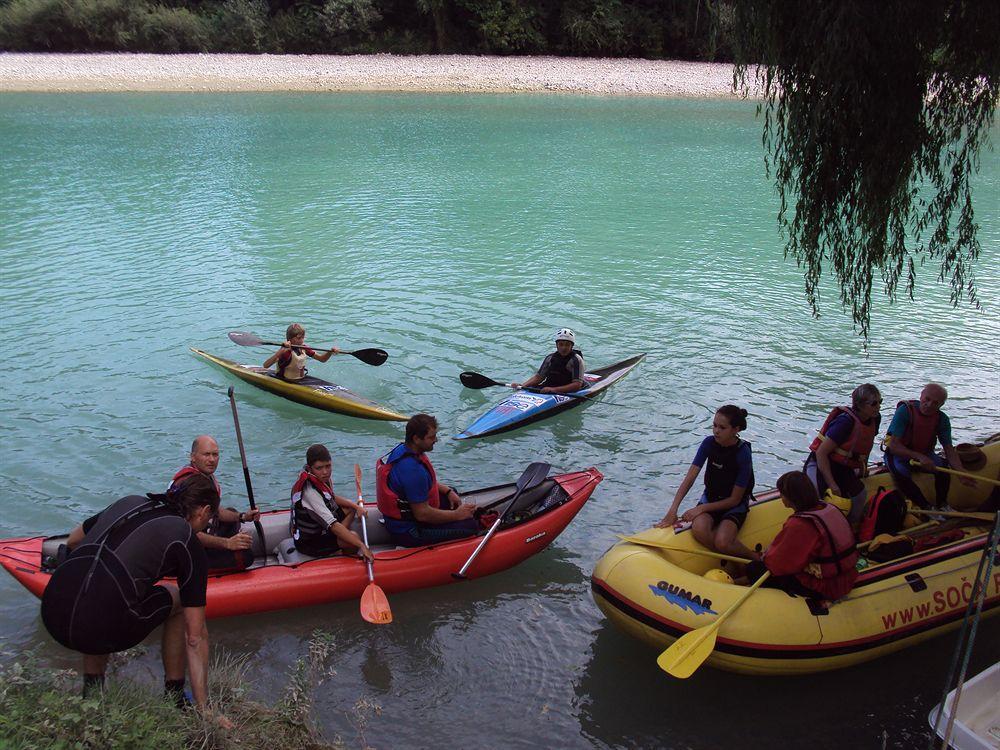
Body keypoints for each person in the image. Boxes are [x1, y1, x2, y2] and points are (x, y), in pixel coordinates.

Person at [40, 474, 232, 727]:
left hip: (53, 610)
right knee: (173, 597)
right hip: (92, 625)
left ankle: (92, 696)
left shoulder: (130, 501)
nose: (208, 524)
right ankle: (175, 697)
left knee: (99, 586)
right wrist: (206, 709)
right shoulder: (186, 539)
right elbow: (195, 637)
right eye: (210, 518)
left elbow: (75, 541)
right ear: (203, 511)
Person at [655, 405, 758, 561]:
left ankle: (755, 558)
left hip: (733, 506)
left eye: (722, 427)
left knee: (723, 542)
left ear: (735, 429)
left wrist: (701, 508)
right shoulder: (708, 443)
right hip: (711, 497)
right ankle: (731, 561)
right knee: (699, 530)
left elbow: (734, 499)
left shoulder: (743, 453)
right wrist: (673, 509)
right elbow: (690, 478)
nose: (716, 431)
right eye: (714, 425)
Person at [746, 471, 859, 601]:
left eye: (782, 494)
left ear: (791, 497)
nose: (781, 497)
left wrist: (764, 557)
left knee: (754, 569)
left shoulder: (801, 524)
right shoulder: (828, 508)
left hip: (824, 586)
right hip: (847, 576)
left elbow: (776, 564)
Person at [376, 414, 479, 547]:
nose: (436, 440)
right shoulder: (412, 470)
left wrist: (448, 491)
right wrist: (457, 515)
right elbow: (422, 515)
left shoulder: (404, 450)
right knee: (470, 526)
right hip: (410, 531)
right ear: (416, 439)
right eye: (431, 437)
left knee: (451, 493)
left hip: (409, 514)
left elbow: (420, 485)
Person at [169, 435, 260, 572]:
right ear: (192, 457)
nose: (211, 460)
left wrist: (243, 516)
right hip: (185, 546)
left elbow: (215, 511)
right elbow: (188, 532)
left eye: (215, 454)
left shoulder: (204, 476)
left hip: (198, 533)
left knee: (232, 513)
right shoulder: (190, 486)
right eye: (206, 454)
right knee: (246, 557)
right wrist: (227, 543)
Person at [883, 383, 972, 509]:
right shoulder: (905, 411)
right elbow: (893, 446)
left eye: (935, 403)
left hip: (924, 454)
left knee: (944, 469)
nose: (929, 405)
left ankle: (942, 505)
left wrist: (960, 471)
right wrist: (918, 456)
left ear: (941, 405)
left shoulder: (942, 419)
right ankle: (926, 507)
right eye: (927, 399)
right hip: (898, 454)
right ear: (921, 396)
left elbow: (949, 449)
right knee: (901, 473)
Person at [804, 383, 882, 525]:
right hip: (820, 463)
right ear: (860, 405)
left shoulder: (875, 419)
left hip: (842, 466)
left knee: (860, 495)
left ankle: (850, 527)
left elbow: (866, 443)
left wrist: (863, 467)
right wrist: (832, 484)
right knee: (816, 500)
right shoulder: (845, 423)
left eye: (880, 402)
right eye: (874, 403)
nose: (878, 406)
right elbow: (821, 453)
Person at [290, 444, 373, 561]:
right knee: (354, 538)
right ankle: (340, 554)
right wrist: (362, 546)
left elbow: (331, 497)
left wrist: (356, 506)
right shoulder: (309, 492)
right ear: (309, 468)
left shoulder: (321, 477)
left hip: (320, 527)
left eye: (328, 466)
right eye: (319, 468)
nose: (325, 472)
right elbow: (333, 526)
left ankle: (337, 541)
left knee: (350, 509)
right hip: (309, 542)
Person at [511, 328, 586, 394]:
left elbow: (577, 385)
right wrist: (522, 386)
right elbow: (539, 377)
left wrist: (554, 389)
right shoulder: (550, 358)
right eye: (561, 344)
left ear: (572, 346)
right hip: (548, 388)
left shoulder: (576, 360)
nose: (564, 348)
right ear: (556, 345)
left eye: (567, 345)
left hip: (566, 391)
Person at [262, 323, 339, 381]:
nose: (302, 340)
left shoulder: (304, 348)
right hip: (284, 380)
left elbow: (322, 359)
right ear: (290, 339)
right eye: (299, 338)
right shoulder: (285, 352)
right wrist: (280, 352)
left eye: (303, 337)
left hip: (300, 380)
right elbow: (266, 365)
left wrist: (330, 352)